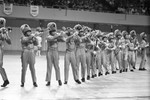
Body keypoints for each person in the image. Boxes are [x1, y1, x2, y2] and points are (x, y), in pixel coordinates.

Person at [45, 22, 62, 86]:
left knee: (57, 66)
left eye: (54, 31)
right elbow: (51, 38)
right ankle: (48, 81)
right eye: (52, 31)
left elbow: (63, 40)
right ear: (50, 31)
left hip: (55, 52)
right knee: (49, 66)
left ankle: (59, 79)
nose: (54, 32)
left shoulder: (57, 36)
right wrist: (57, 35)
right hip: (50, 52)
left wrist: (61, 35)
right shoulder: (48, 36)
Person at [0, 17, 11, 87]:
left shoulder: (3, 31)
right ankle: (6, 80)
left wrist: (5, 34)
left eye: (2, 22)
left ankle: (6, 80)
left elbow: (9, 42)